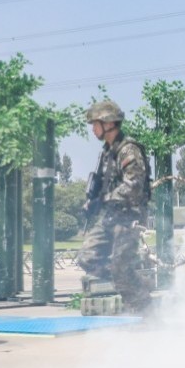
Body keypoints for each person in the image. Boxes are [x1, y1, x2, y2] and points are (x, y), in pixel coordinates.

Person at [77, 100, 153, 313]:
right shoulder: (107, 153)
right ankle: (133, 280)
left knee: (121, 270)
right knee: (87, 257)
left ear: (109, 123)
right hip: (110, 216)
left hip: (129, 218)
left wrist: (104, 199)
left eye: (96, 124)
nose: (93, 129)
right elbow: (103, 184)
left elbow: (134, 186)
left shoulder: (128, 150)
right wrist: (92, 202)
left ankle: (147, 311)